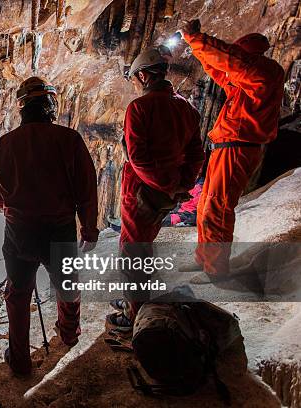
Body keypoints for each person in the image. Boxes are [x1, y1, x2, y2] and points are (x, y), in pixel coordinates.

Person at [0, 76, 99, 376]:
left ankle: (20, 360)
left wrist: (16, 209)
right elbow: (86, 190)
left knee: (19, 293)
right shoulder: (69, 140)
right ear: (50, 105)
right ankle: (69, 333)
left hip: (19, 232)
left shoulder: (2, 146)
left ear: (22, 108)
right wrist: (89, 229)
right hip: (59, 229)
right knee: (67, 286)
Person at [180, 20, 285, 283]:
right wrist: (198, 50)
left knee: (218, 206)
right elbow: (220, 71)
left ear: (247, 54)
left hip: (238, 147)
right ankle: (204, 259)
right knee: (206, 203)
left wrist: (198, 39)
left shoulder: (263, 72)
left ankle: (215, 270)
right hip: (228, 146)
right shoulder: (246, 84)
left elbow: (229, 61)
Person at [111, 48, 204, 327]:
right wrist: (180, 185)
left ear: (142, 75)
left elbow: (138, 158)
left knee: (133, 250)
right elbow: (196, 154)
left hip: (142, 191)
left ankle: (135, 310)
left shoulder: (139, 108)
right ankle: (133, 297)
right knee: (143, 245)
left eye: (135, 80)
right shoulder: (187, 108)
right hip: (167, 191)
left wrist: (163, 185)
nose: (135, 86)